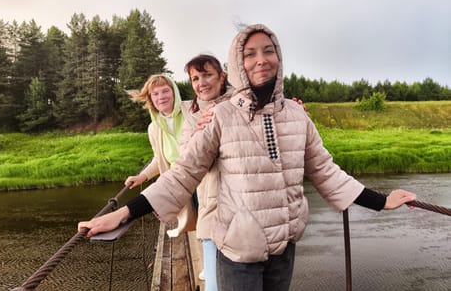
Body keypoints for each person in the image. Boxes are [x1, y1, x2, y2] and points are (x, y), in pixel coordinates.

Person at [79, 24, 416, 291]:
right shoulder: (222, 116)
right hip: (238, 252)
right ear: (239, 65)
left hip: (284, 248)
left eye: (269, 51)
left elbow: (326, 171)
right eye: (251, 54)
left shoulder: (298, 117)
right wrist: (123, 214)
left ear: (279, 59)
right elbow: (183, 173)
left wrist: (382, 201)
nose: (261, 60)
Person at [180, 54, 234, 291]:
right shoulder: (192, 120)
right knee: (213, 285)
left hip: (246, 216)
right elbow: (184, 162)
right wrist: (198, 137)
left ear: (222, 76)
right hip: (211, 213)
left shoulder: (242, 107)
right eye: (195, 78)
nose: (201, 82)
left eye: (207, 75)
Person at [124, 74, 196, 237]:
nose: (161, 97)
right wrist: (142, 177)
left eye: (165, 91)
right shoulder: (154, 128)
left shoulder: (192, 111)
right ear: (150, 99)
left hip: (204, 181)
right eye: (155, 94)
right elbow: (159, 159)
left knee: (212, 228)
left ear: (174, 92)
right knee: (197, 229)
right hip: (180, 185)